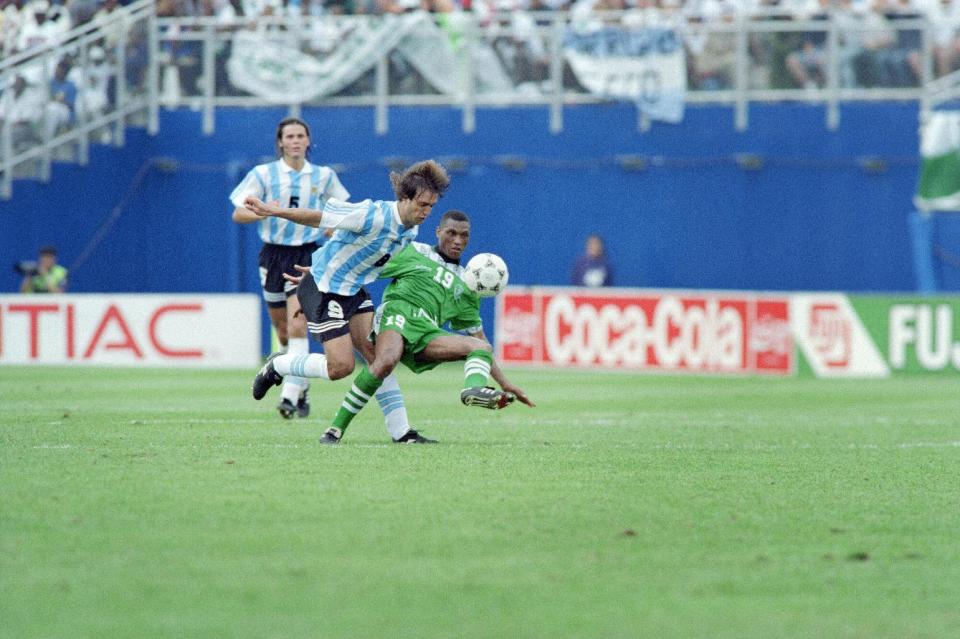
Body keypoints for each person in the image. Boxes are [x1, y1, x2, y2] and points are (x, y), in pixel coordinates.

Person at [275, 210, 536, 445]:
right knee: (385, 361)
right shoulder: (413, 251)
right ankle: (335, 429)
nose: (457, 240)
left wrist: (505, 383)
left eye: (464, 236)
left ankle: (473, 390)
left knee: (481, 346)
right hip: (397, 315)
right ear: (438, 232)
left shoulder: (467, 287)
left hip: (427, 334)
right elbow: (363, 265)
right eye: (451, 233)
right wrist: (321, 273)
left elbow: (478, 338)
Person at [246, 159, 451, 444]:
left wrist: (320, 261)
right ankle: (279, 366)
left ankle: (402, 432)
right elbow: (320, 217)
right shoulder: (372, 214)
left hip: (352, 291)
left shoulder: (410, 230)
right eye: (422, 204)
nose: (427, 212)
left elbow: (354, 249)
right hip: (324, 289)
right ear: (404, 198)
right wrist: (273, 210)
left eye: (431, 206)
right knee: (340, 368)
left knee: (379, 359)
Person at [230, 117, 348, 419]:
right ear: (280, 142)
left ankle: (289, 394)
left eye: (300, 135)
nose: (295, 140)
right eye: (289, 136)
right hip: (272, 256)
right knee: (283, 331)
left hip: (307, 255)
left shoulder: (323, 176)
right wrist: (264, 212)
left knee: (298, 325)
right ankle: (301, 380)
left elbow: (341, 214)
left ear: (308, 141)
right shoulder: (263, 174)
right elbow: (238, 214)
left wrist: (331, 232)